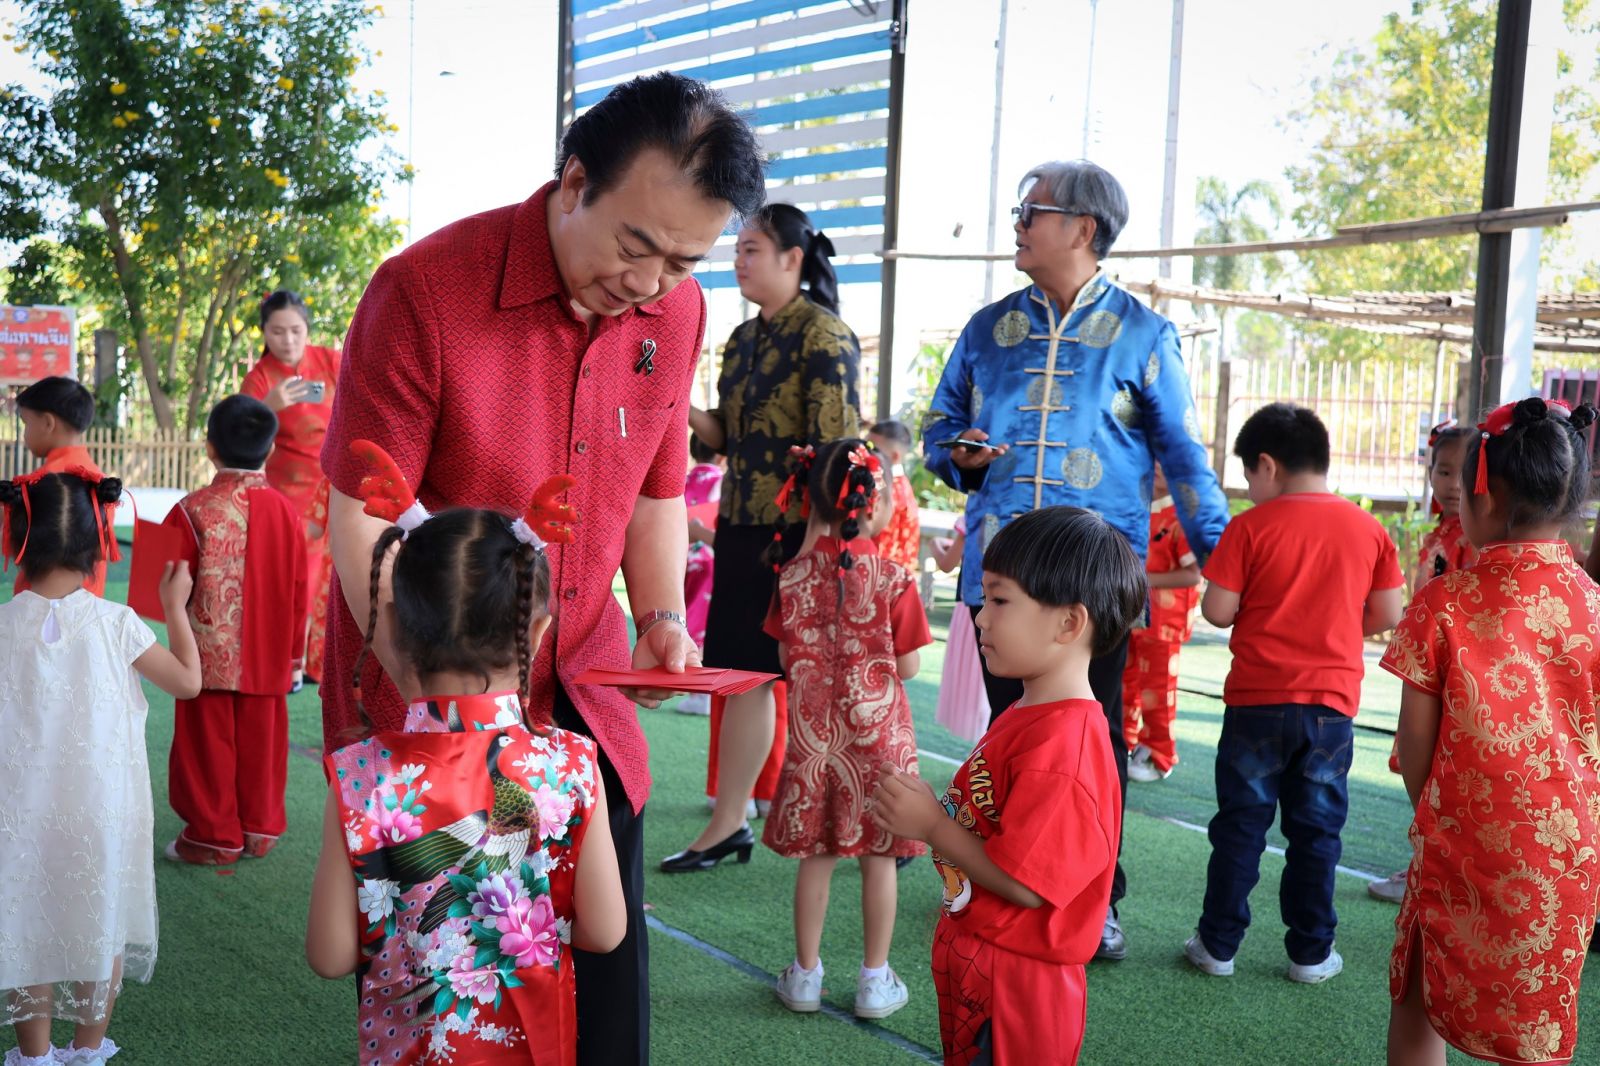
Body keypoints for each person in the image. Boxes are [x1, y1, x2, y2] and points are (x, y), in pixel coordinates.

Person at [320, 71, 764, 1065]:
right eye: (636, 246)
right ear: (573, 184)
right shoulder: (426, 289)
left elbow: (657, 490)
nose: (651, 282)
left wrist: (661, 616)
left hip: (583, 694)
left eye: (684, 261)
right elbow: (366, 512)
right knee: (439, 997)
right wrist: (432, 687)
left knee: (604, 995)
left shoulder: (677, 313)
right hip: (436, 718)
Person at [922, 159, 1229, 960]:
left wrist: (1225, 560)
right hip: (999, 578)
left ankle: (1099, 899)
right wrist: (959, 455)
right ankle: (992, 883)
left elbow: (1184, 458)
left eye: (1032, 212)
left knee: (1093, 738)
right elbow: (937, 432)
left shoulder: (1145, 334)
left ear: (1084, 229)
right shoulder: (986, 329)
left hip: (1093, 584)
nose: (1018, 225)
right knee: (1006, 739)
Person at [306, 441, 625, 1065]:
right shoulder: (571, 766)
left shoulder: (363, 775)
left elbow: (330, 955)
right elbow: (605, 930)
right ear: (536, 630)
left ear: (394, 627)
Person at [872, 506, 1143, 1065]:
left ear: (1068, 624)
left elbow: (1026, 885)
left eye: (999, 600)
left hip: (1018, 983)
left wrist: (931, 826)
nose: (980, 618)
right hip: (985, 958)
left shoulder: (1064, 747)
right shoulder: (1029, 712)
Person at [1382, 398, 1600, 1065]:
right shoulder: (1594, 606)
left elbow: (1415, 747)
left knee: (1421, 996)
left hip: (1460, 841)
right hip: (1565, 853)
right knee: (1536, 1019)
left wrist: (1439, 814)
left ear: (1486, 494)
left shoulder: (1444, 603)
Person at [1184, 403, 1405, 984]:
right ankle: (1310, 954)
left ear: (1267, 464)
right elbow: (1388, 613)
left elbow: (1218, 610)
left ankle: (1217, 946)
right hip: (1331, 708)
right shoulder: (1368, 529)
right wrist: (1334, 627)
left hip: (1256, 704)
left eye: (1248, 475)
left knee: (1241, 826)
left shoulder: (1249, 527)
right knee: (1317, 833)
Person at [674, 201, 860, 872]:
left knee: (830, 686)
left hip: (802, 536)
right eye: (737, 249)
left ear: (792, 258)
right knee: (743, 677)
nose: (738, 260)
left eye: (751, 248)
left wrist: (816, 543)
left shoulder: (825, 335)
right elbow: (725, 436)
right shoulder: (742, 339)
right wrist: (673, 397)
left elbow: (838, 452)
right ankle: (729, 823)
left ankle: (873, 818)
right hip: (742, 529)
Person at [0, 470, 202, 1066]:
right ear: (98, 544)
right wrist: (174, 607)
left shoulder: (4, 625)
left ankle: (34, 1056)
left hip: (17, 811)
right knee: (100, 922)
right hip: (100, 809)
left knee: (25, 919)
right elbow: (188, 682)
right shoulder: (117, 623)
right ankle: (86, 1052)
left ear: (18, 540)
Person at [761, 439, 932, 1020]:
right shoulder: (893, 576)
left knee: (817, 855)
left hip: (815, 742)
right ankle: (874, 980)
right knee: (879, 857)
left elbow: (785, 658)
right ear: (873, 503)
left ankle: (805, 976)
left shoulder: (791, 576)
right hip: (880, 739)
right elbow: (909, 666)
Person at [161, 395, 309, 865]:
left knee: (206, 748)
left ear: (209, 448)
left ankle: (213, 837)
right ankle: (258, 831)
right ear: (270, 450)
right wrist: (294, 657)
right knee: (262, 747)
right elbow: (300, 590)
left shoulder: (190, 509)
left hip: (205, 654)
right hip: (268, 653)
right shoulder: (288, 512)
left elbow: (164, 583)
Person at [1369, 422, 1476, 904]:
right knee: (1426, 767)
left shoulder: (1474, 540)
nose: (1451, 484)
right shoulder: (1443, 534)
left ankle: (1436, 869)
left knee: (1444, 769)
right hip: (1429, 669)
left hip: (1456, 674)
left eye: (1463, 473)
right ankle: (1425, 863)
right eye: (1443, 471)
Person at [242, 289, 341, 687]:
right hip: (290, 492)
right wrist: (267, 406)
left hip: (338, 483)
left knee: (339, 575)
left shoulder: (330, 361)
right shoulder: (260, 378)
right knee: (301, 575)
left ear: (307, 328)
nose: (288, 340)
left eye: (296, 330)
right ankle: (291, 662)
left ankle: (326, 664)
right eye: (278, 332)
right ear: (265, 333)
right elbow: (239, 435)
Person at [1122, 463, 1201, 782]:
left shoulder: (1183, 515)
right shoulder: (1133, 505)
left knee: (1157, 689)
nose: (1157, 465)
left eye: (1166, 459)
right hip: (1129, 613)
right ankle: (1123, 744)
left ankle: (1159, 755)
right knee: (1124, 683)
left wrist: (1142, 579)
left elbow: (1193, 574)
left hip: (1164, 621)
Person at [10, 376, 106, 597]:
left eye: (26, 423)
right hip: (85, 601)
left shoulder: (45, 482)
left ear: (47, 423)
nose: (25, 433)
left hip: (41, 602)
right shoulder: (96, 476)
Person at [931, 517, 991, 744]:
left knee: (977, 682)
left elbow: (947, 563)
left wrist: (934, 544)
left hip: (971, 606)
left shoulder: (973, 517)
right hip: (997, 606)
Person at [679, 435, 723, 717]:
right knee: (708, 625)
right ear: (722, 456)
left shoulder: (682, 481)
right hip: (711, 556)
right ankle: (703, 693)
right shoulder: (722, 481)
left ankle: (696, 690)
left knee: (689, 620)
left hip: (683, 558)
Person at [868, 419, 921, 570]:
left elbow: (882, 544)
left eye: (874, 450)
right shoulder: (891, 484)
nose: (867, 454)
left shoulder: (892, 490)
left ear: (895, 456)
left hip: (885, 571)